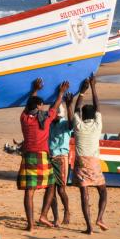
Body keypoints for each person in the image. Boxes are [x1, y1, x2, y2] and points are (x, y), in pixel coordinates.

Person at [17, 78, 69, 231]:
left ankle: (30, 224)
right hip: (42, 156)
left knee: (29, 191)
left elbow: (29, 105)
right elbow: (56, 105)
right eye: (41, 104)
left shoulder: (24, 119)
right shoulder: (46, 118)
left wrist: (35, 89)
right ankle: (43, 215)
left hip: (28, 156)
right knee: (51, 185)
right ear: (39, 106)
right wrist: (61, 92)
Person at [70, 74, 108, 234]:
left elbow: (76, 109)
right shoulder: (97, 125)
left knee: (84, 194)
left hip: (80, 164)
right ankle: (99, 217)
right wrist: (93, 87)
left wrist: (82, 92)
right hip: (93, 163)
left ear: (83, 116)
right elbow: (98, 106)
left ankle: (89, 227)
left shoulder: (78, 126)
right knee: (103, 191)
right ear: (93, 116)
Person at [48, 97, 73, 227]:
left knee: (61, 190)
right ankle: (56, 217)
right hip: (50, 157)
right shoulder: (50, 124)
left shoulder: (65, 124)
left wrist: (69, 105)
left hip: (62, 158)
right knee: (51, 191)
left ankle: (67, 211)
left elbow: (72, 123)